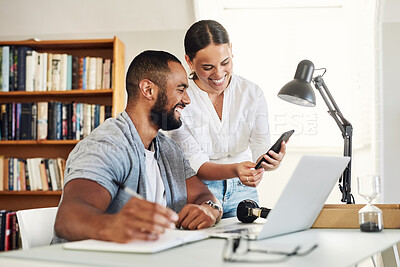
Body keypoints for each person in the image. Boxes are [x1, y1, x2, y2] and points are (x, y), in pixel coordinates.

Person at [52, 50, 222, 244]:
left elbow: (203, 195)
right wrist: (111, 226)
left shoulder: (169, 149)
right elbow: (68, 219)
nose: (187, 100)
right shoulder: (106, 146)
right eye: (180, 89)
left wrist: (209, 208)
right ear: (148, 90)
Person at [169, 20, 286, 218]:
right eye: (207, 67)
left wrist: (270, 162)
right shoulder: (179, 100)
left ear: (231, 50)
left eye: (225, 63)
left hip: (244, 189)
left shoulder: (251, 93)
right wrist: (236, 169)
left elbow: (260, 145)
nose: (219, 74)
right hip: (200, 189)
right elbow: (197, 164)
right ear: (189, 61)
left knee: (246, 245)